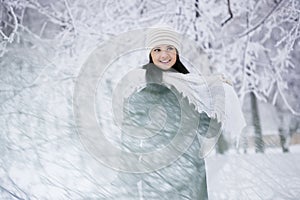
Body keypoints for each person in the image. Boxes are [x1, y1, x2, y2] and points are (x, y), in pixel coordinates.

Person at [108, 26, 245, 200]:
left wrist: (218, 94)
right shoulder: (141, 97)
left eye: (169, 48)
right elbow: (130, 143)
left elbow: (209, 130)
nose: (164, 55)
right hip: (158, 181)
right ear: (151, 55)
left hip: (193, 179)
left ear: (177, 53)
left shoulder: (193, 92)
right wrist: (126, 180)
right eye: (157, 49)